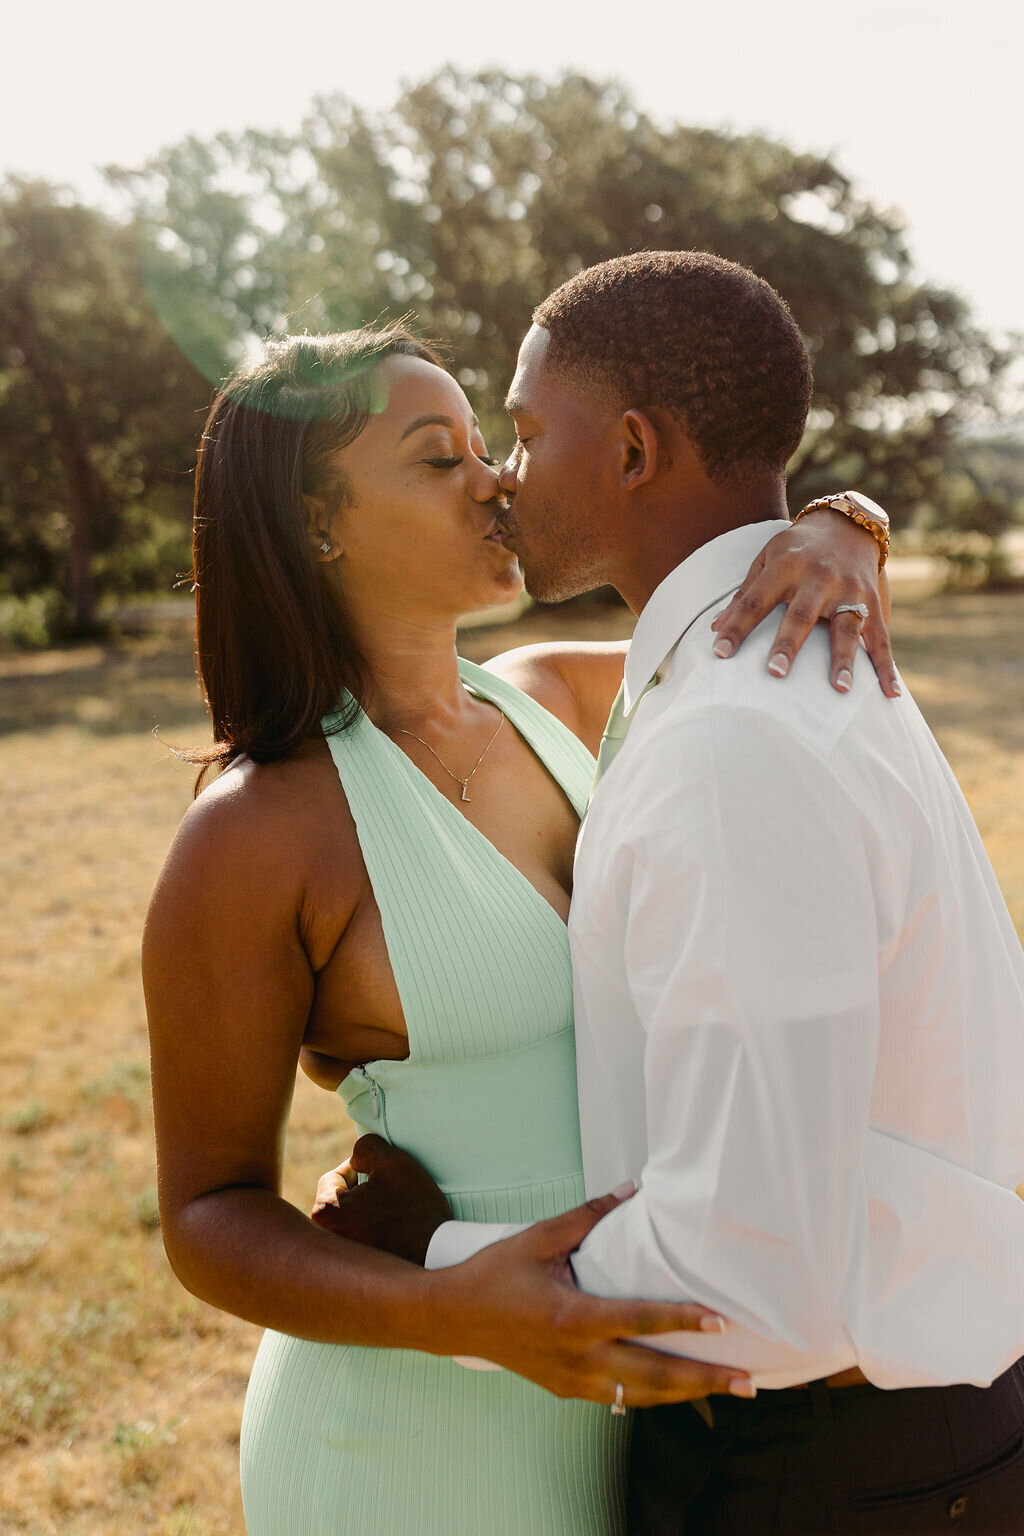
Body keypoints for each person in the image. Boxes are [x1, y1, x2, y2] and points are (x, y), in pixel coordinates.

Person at [143, 320, 891, 1536]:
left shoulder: (559, 692)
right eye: (440, 458)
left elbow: (755, 604)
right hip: (418, 1428)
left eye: (490, 444)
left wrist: (842, 522)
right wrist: (451, 1312)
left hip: (642, 1417)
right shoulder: (257, 832)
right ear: (313, 522)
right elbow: (208, 1216)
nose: (497, 479)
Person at [341, 253, 1024, 1533]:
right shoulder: (765, 656)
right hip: (897, 1432)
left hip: (818, 1466)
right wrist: (845, 517)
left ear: (636, 449)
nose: (503, 473)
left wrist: (420, 1263)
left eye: (531, 433)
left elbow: (740, 1276)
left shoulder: (732, 738)